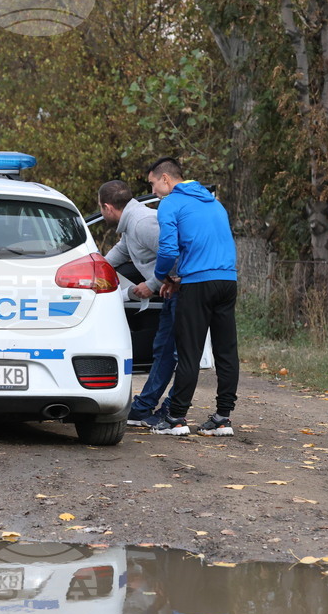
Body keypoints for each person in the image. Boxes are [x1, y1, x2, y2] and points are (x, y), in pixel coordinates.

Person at [146, 157, 238, 437]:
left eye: (152, 184)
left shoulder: (170, 204)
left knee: (189, 352)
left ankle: (176, 418)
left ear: (165, 178)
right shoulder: (214, 203)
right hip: (227, 280)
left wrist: (162, 277)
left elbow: (168, 250)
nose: (153, 191)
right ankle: (222, 419)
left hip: (198, 285)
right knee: (226, 351)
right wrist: (179, 280)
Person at [97, 179, 176, 427]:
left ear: (108, 207)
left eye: (100, 208)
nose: (102, 213)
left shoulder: (143, 223)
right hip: (170, 291)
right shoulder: (131, 224)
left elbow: (175, 256)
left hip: (181, 291)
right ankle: (144, 407)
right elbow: (121, 251)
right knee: (164, 350)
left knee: (178, 353)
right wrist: (94, 269)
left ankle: (172, 410)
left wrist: (151, 284)